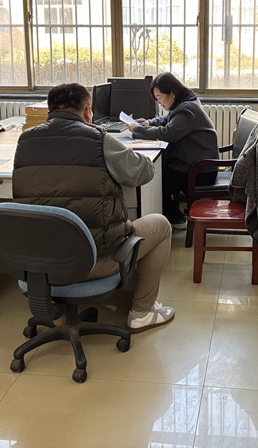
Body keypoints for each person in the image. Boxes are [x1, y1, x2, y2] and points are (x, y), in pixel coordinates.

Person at [13, 83, 175, 333]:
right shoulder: (98, 139)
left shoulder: (25, 140)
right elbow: (143, 172)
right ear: (88, 111)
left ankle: (55, 311)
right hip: (92, 261)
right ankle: (142, 312)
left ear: (49, 111)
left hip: (39, 262)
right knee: (161, 225)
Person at [127, 72, 219, 227]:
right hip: (196, 164)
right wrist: (149, 123)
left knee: (152, 181)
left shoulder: (187, 109)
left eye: (159, 97)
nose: (159, 102)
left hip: (200, 171)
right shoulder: (186, 103)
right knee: (156, 174)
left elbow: (168, 133)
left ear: (172, 94)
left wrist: (137, 130)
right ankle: (172, 215)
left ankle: (176, 218)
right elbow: (168, 119)